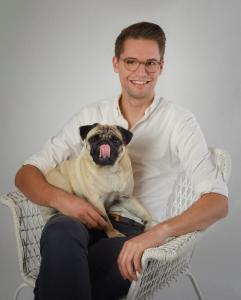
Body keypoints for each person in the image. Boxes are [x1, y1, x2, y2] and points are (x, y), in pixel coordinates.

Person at [15, 22, 228, 300]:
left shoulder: (179, 121)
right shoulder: (91, 115)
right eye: (131, 61)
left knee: (63, 274)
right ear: (116, 63)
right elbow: (25, 175)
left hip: (131, 233)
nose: (141, 72)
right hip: (75, 217)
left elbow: (218, 202)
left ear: (161, 66)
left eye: (150, 63)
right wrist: (62, 200)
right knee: (61, 231)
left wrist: (160, 231)